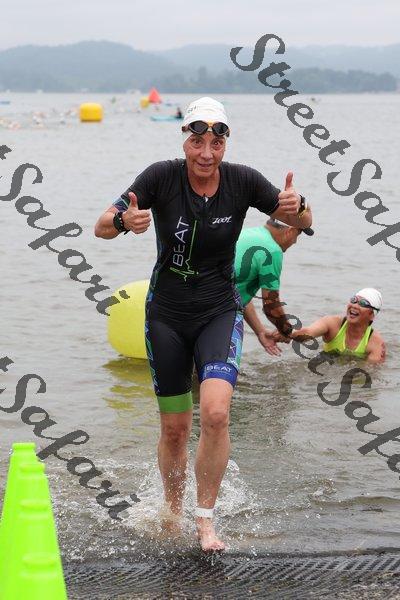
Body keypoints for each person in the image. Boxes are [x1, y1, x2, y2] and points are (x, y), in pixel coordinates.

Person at [94, 97, 312, 551]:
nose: (206, 154)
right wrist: (125, 220)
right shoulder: (160, 176)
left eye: (216, 143)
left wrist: (300, 204)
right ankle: (172, 511)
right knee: (175, 429)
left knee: (215, 413)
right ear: (185, 141)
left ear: (225, 144)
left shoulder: (243, 181)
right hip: (166, 316)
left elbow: (303, 219)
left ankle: (205, 520)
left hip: (218, 310)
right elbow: (101, 227)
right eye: (198, 142)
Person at [234, 219, 313, 356]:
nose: (295, 242)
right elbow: (271, 306)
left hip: (198, 302)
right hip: (215, 315)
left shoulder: (247, 233)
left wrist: (260, 331)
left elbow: (238, 293)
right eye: (297, 235)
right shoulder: (272, 251)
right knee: (221, 366)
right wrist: (287, 331)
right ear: (290, 231)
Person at [290, 288, 386, 363]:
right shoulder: (332, 324)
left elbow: (370, 372)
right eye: (353, 300)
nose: (354, 305)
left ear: (372, 315)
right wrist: (288, 333)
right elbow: (307, 333)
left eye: (363, 304)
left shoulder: (375, 343)